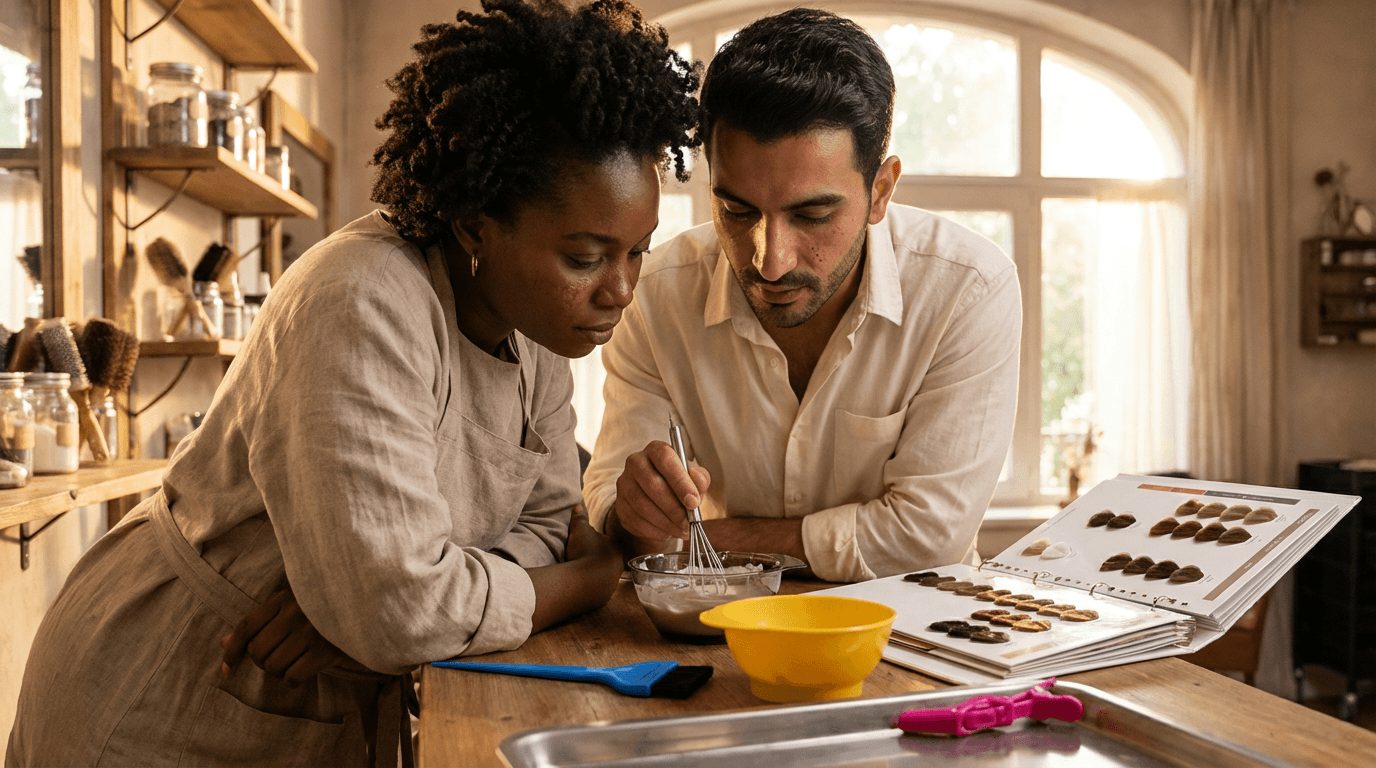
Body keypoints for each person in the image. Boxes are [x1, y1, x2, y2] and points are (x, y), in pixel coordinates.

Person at [5, 1, 700, 765]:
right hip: (167, 690)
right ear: (475, 223)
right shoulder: (363, 298)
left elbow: (533, 530)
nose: (622, 291)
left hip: (316, 708)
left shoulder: (540, 345)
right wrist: (593, 578)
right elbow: (406, 613)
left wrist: (382, 607)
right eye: (585, 257)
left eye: (637, 252)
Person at [581, 8, 1021, 583]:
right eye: (736, 211)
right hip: (715, 628)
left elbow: (927, 539)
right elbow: (615, 509)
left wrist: (720, 540)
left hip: (917, 633)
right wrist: (635, 514)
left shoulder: (967, 289)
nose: (769, 260)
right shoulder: (656, 296)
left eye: (812, 214)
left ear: (880, 191)